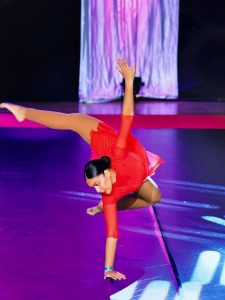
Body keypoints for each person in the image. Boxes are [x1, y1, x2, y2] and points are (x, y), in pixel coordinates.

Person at [0, 59, 163, 281]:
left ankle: (24, 111)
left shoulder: (119, 151)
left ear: (105, 174)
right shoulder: (108, 195)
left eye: (96, 184)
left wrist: (128, 82)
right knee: (75, 122)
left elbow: (127, 118)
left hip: (112, 147)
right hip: (112, 166)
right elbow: (112, 234)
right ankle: (24, 111)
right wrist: (108, 269)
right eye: (93, 187)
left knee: (154, 196)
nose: (96, 190)